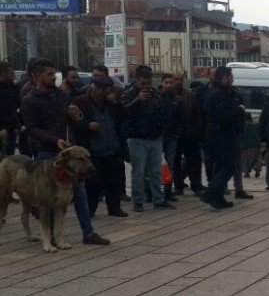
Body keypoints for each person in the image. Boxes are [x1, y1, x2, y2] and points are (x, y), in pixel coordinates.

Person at [19, 59, 110, 245]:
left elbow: (71, 118)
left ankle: (88, 232)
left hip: (69, 151)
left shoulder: (59, 95)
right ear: (37, 76)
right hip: (48, 153)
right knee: (50, 196)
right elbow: (32, 128)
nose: (53, 78)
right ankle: (51, 235)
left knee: (79, 193)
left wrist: (75, 115)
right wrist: (55, 140)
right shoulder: (30, 99)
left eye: (54, 74)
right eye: (49, 74)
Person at [70, 79, 128, 218]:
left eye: (105, 90)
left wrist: (116, 103)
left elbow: (124, 117)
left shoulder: (110, 103)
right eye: (99, 89)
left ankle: (114, 207)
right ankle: (90, 209)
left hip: (112, 148)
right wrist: (87, 126)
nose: (102, 93)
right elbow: (74, 123)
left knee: (113, 181)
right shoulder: (81, 102)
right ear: (93, 87)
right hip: (93, 150)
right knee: (92, 183)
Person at [120, 71, 174, 212]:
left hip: (155, 138)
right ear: (136, 81)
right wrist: (137, 100)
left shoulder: (155, 94)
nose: (146, 86)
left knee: (156, 171)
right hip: (137, 138)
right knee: (138, 171)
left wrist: (161, 131)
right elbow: (123, 113)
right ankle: (138, 200)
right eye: (142, 83)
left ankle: (158, 199)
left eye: (148, 83)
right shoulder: (128, 94)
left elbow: (163, 113)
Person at [201, 67, 241, 210]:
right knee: (229, 166)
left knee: (220, 167)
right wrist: (238, 109)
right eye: (228, 77)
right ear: (222, 78)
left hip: (221, 134)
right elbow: (224, 114)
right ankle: (210, 192)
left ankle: (218, 198)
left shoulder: (224, 92)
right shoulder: (218, 94)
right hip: (220, 135)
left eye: (231, 76)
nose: (231, 79)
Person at [175, 73, 204, 195]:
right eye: (175, 79)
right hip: (175, 135)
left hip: (190, 134)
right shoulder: (166, 96)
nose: (178, 82)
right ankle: (178, 186)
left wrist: (197, 131)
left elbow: (197, 115)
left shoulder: (190, 96)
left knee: (194, 161)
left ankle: (196, 186)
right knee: (175, 161)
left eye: (180, 79)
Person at [158, 73, 181, 202]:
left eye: (171, 82)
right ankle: (154, 190)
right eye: (166, 82)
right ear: (162, 83)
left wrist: (177, 133)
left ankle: (168, 190)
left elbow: (180, 118)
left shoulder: (177, 100)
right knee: (157, 164)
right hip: (158, 136)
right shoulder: (157, 98)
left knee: (170, 163)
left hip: (172, 136)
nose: (169, 85)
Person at [0, 61, 19, 155]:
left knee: (9, 156)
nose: (13, 75)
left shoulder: (13, 87)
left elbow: (16, 107)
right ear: (3, 74)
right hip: (4, 129)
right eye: (11, 73)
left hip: (11, 130)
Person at [242, 111, 262, 178]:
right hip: (256, 144)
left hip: (247, 145)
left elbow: (243, 136)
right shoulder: (255, 124)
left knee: (247, 159)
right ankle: (257, 169)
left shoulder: (244, 125)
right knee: (256, 158)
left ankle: (247, 173)